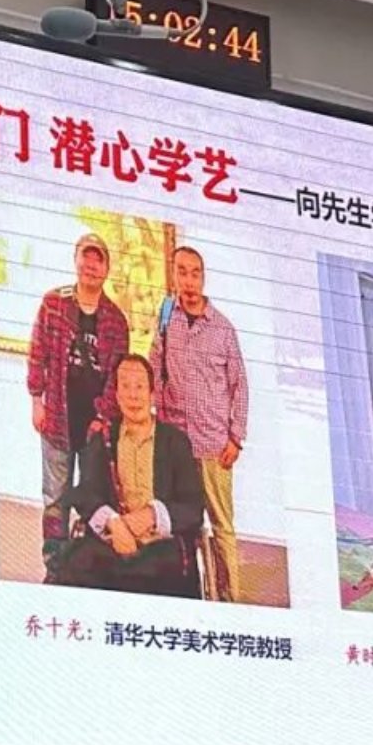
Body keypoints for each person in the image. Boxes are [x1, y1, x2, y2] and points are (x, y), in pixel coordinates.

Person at [57, 354, 207, 598]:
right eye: (125, 387)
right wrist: (113, 523)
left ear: (152, 394)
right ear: (116, 395)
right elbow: (85, 493)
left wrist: (152, 515)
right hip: (112, 544)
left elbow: (193, 509)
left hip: (161, 548)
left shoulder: (176, 442)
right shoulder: (102, 439)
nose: (133, 395)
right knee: (74, 565)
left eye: (139, 387)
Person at [150, 245, 248, 601]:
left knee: (222, 527)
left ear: (203, 278)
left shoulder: (223, 329)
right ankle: (188, 595)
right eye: (182, 272)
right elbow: (154, 366)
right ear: (174, 274)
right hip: (175, 443)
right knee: (179, 524)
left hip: (213, 446)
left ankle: (229, 601)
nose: (189, 281)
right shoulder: (166, 316)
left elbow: (240, 385)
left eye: (195, 273)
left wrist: (236, 437)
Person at [26, 232, 130, 568]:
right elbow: (37, 353)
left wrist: (103, 418)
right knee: (54, 498)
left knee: (92, 499)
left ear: (107, 269)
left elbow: (118, 377)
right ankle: (54, 563)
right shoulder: (54, 303)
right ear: (76, 260)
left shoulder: (116, 320)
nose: (91, 266)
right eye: (86, 257)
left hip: (94, 427)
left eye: (99, 260)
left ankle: (85, 565)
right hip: (56, 417)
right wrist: (36, 401)